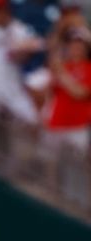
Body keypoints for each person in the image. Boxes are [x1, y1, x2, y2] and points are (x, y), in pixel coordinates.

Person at [42, 25, 91, 154]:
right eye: (72, 43)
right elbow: (48, 94)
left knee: (78, 165)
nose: (76, 47)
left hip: (77, 126)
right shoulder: (61, 65)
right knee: (50, 165)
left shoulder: (88, 68)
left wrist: (61, 73)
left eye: (80, 43)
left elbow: (81, 93)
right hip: (56, 123)